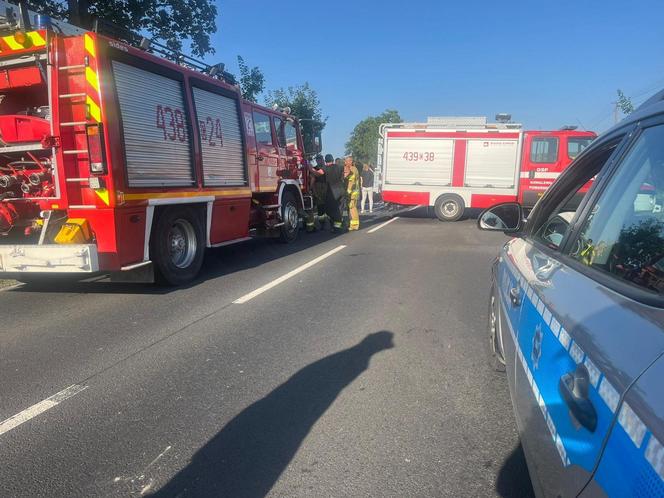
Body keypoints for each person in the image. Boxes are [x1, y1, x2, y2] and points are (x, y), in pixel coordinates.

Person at [305, 154, 327, 232]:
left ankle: (322, 223)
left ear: (322, 159)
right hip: (318, 190)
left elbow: (316, 175)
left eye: (319, 159)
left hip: (323, 190)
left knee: (323, 208)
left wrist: (310, 167)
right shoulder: (316, 168)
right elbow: (312, 179)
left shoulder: (324, 168)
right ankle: (320, 224)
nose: (318, 160)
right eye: (317, 159)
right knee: (319, 208)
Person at [324, 154, 344, 231]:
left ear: (326, 161)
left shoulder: (325, 168)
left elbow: (317, 173)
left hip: (332, 192)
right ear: (332, 160)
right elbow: (346, 172)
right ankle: (338, 224)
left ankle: (337, 227)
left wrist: (309, 167)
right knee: (339, 209)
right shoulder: (339, 167)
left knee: (331, 209)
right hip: (341, 190)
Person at [344, 156, 361, 230]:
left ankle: (354, 225)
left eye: (346, 161)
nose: (345, 163)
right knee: (351, 208)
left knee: (352, 208)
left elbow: (352, 181)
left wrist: (348, 191)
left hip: (352, 193)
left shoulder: (352, 169)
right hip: (353, 192)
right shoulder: (354, 169)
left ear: (350, 161)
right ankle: (352, 224)